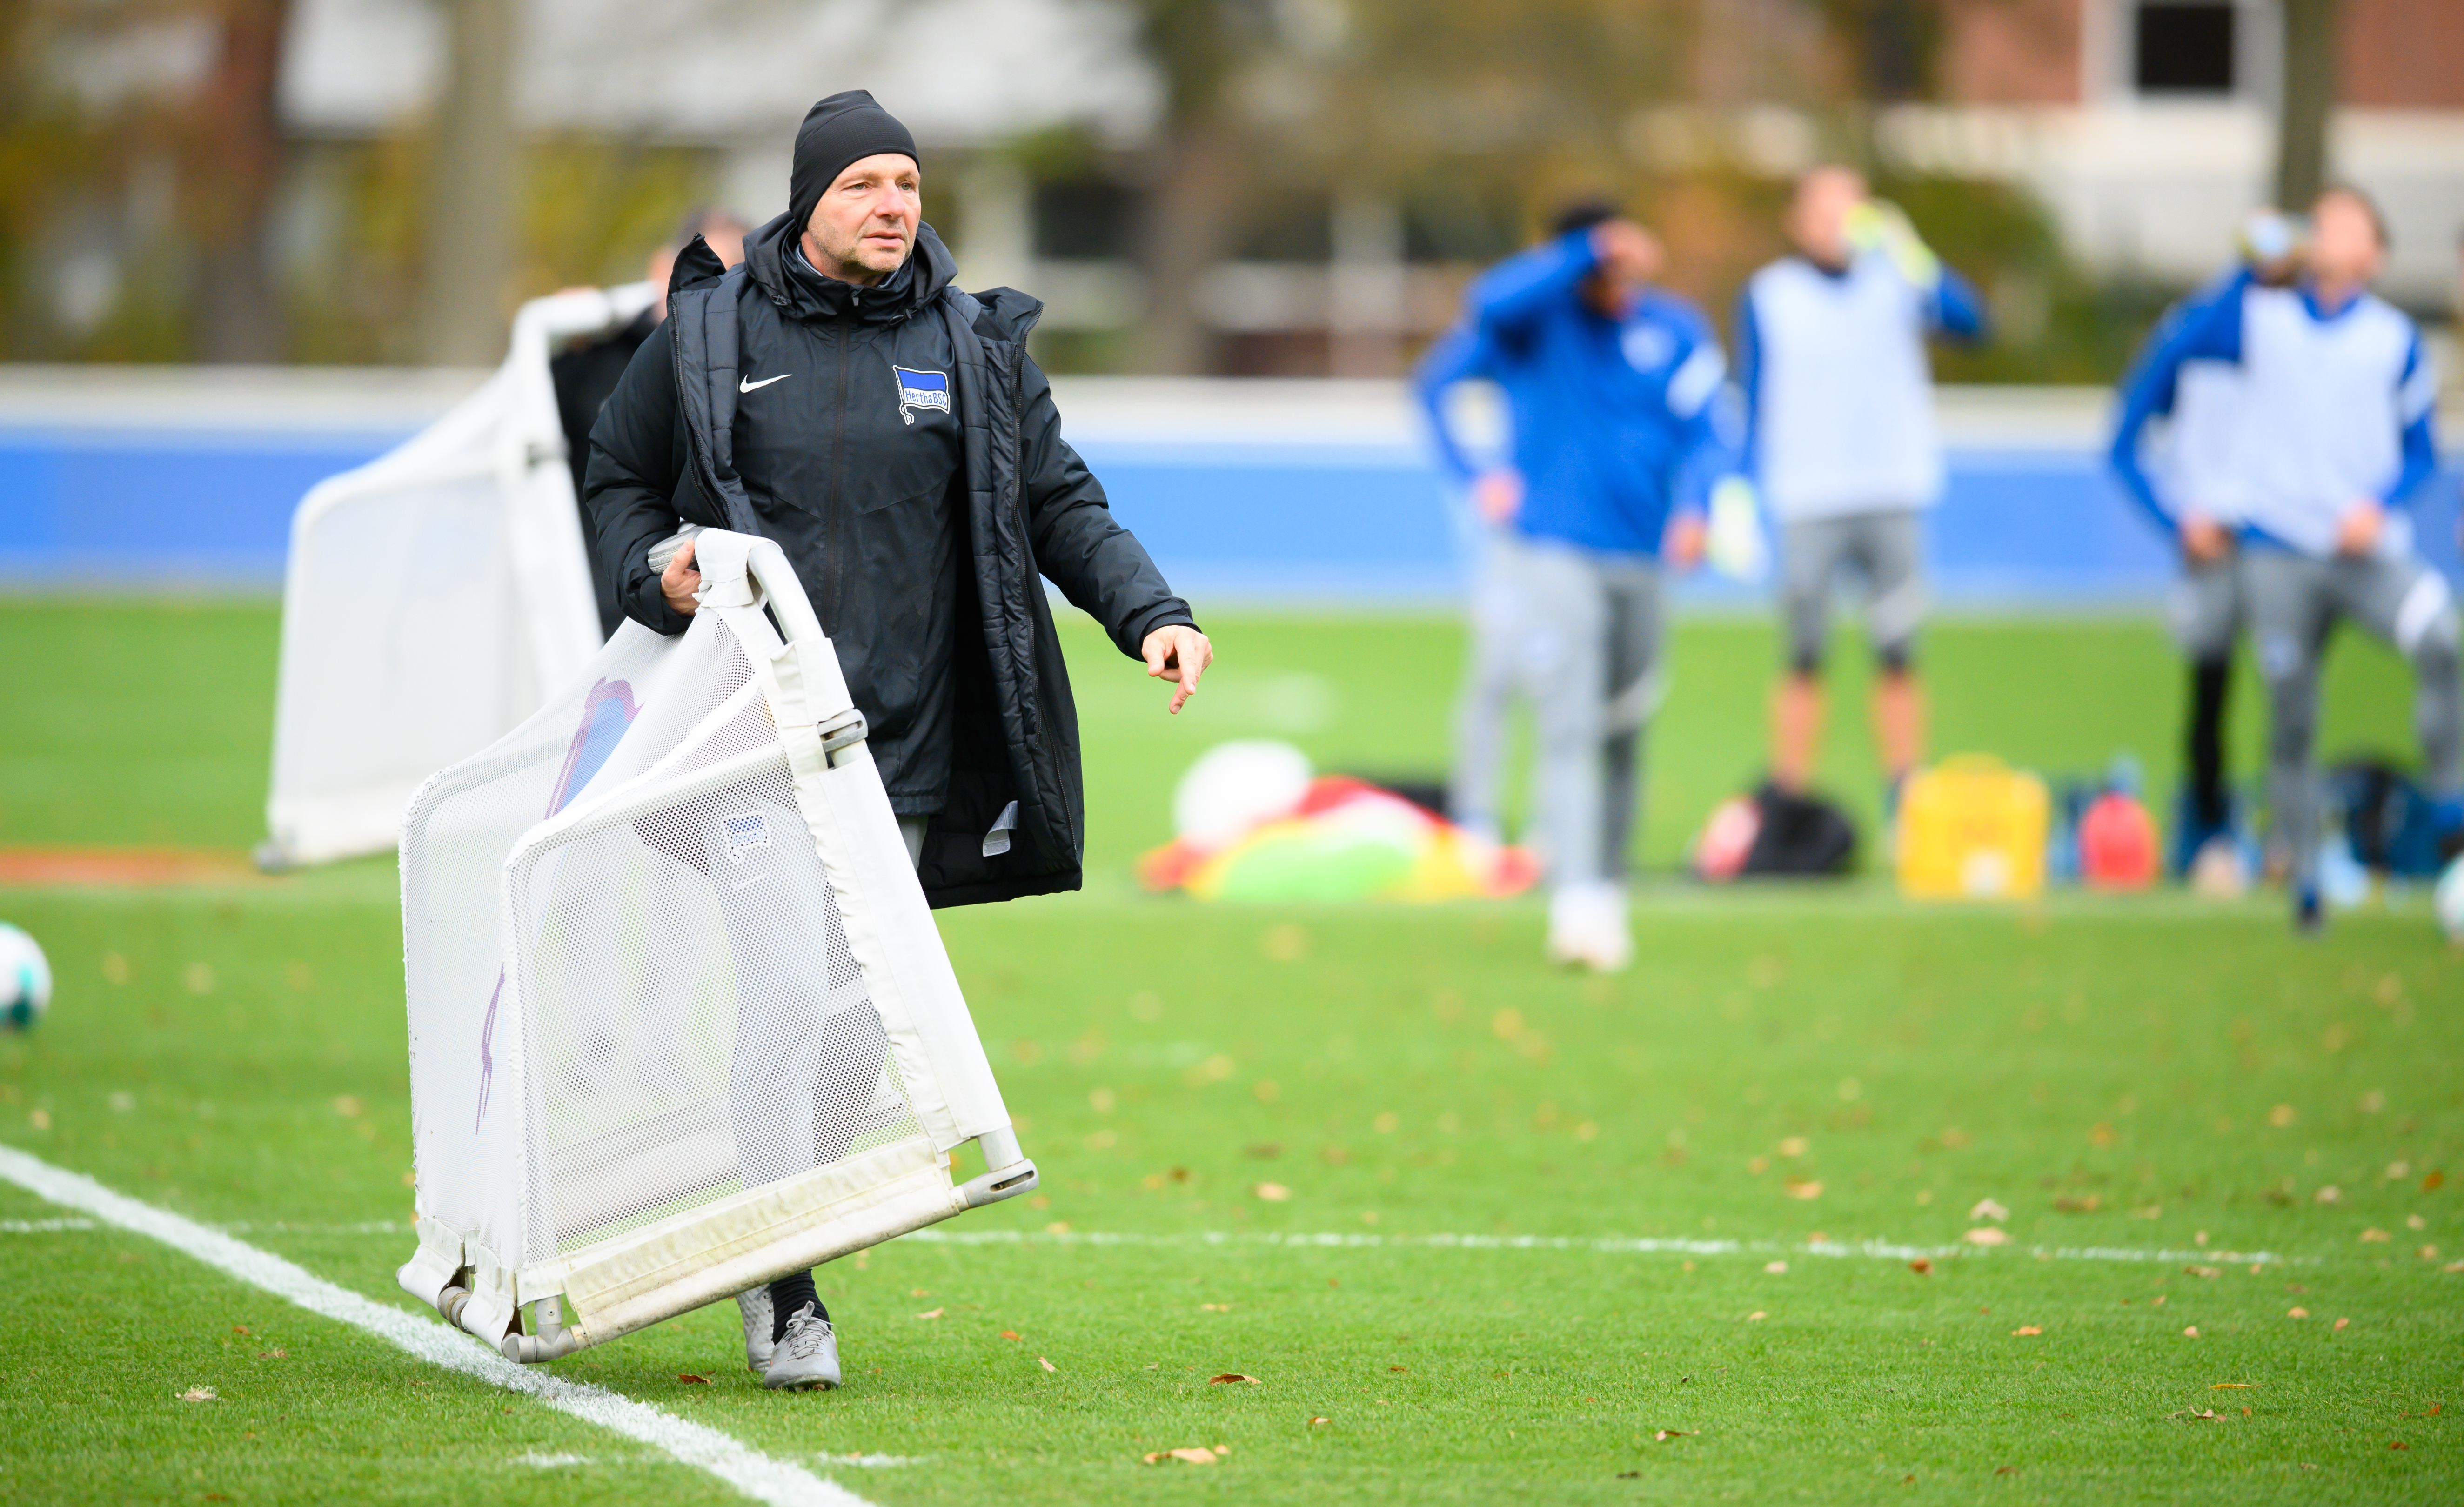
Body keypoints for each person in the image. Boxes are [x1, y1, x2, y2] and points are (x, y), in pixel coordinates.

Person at [582, 91, 1211, 1387]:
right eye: (866, 184)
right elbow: (619, 479)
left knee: (861, 1013)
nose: (893, 206)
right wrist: (661, 566)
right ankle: (787, 1281)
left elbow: (1057, 500)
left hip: (908, 743)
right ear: (811, 199)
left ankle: (783, 1222)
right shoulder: (708, 330)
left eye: (909, 187)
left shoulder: (973, 344)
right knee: (782, 990)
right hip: (749, 733)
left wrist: (1148, 610)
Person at [2109, 185, 2457, 931]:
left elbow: (2424, 451)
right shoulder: (2259, 320)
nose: (2327, 233)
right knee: (2291, 717)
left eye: (2346, 225)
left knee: (2442, 640)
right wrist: (2248, 265)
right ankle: (2303, 881)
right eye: (2319, 221)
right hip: (2277, 552)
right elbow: (2183, 346)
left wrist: (2381, 504)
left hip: (2362, 549)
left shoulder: (2394, 339)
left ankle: (2452, 803)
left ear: (2375, 254)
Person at [1455, 198, 1729, 971]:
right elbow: (1486, 302)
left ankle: (1604, 888)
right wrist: (1581, 252)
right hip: (1555, 551)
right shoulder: (1543, 323)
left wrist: (1700, 505)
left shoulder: (1676, 328)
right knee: (1568, 720)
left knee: (1625, 727)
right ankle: (1574, 898)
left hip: (1642, 557)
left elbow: (1710, 427)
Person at [1734, 166, 1985, 817]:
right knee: (1803, 653)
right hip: (1807, 493)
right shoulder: (1770, 295)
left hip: (1891, 484)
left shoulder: (1898, 279)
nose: (1835, 225)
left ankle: (1906, 798)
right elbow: (1756, 397)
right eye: (1821, 211)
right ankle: (1788, 800)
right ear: (1796, 219)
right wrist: (1737, 493)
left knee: (1899, 652)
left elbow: (1969, 322)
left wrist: (1909, 252)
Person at [2107, 209, 2303, 890]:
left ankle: (2290, 834)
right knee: (2210, 696)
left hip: (2286, 541)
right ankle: (2211, 833)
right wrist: (2176, 518)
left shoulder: (2314, 337)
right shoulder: (2196, 330)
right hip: (2213, 548)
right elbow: (2122, 443)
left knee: (2291, 693)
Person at [550, 208, 749, 636]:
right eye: (705, 269)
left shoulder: (755, 370)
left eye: (732, 276)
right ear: (662, 268)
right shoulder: (593, 359)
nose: (716, 290)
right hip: (602, 612)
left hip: (717, 614)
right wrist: (559, 337)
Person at [1414, 318, 1537, 852]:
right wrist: (1473, 475)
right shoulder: (1525, 322)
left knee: (1575, 686)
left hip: (1595, 532)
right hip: (1517, 534)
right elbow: (1432, 382)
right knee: (1495, 672)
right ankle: (1476, 818)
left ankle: (1557, 826)